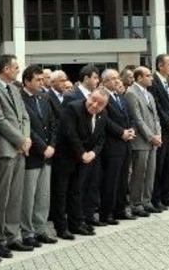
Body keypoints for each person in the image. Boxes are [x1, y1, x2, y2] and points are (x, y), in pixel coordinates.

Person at [0, 55, 31, 257]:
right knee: (0, 198)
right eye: (15, 67)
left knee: (15, 196)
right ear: (4, 68)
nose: (18, 70)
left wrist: (25, 140)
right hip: (5, 150)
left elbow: (24, 116)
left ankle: (12, 237)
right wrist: (20, 140)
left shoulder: (14, 88)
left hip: (20, 149)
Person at [51, 90, 106, 239]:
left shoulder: (102, 114)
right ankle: (61, 228)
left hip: (84, 159)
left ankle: (76, 224)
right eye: (93, 100)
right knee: (61, 194)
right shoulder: (73, 108)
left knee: (76, 192)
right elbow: (71, 134)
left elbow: (101, 138)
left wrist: (93, 153)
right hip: (65, 157)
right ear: (88, 97)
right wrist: (82, 153)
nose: (94, 105)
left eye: (99, 104)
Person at [18, 66, 58, 249]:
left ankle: (40, 229)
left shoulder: (45, 97)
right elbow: (26, 128)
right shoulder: (20, 98)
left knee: (43, 195)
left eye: (43, 80)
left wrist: (52, 146)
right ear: (27, 81)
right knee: (28, 197)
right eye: (38, 80)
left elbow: (53, 123)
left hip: (47, 155)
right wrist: (42, 147)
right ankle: (27, 232)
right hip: (31, 155)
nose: (43, 83)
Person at [98, 69, 136, 223]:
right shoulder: (103, 96)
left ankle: (120, 210)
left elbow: (130, 116)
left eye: (117, 78)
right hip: (112, 145)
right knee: (111, 181)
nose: (116, 81)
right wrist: (121, 132)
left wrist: (132, 129)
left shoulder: (120, 97)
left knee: (122, 180)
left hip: (126, 144)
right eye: (112, 79)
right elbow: (105, 120)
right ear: (105, 81)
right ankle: (106, 213)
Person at [124, 67, 161, 217]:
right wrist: (151, 136)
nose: (151, 78)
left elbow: (156, 117)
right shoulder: (131, 93)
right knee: (139, 174)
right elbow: (138, 119)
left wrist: (158, 135)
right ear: (139, 78)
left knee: (150, 173)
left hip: (153, 140)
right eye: (148, 76)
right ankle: (136, 203)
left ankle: (147, 201)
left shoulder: (149, 94)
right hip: (141, 141)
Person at [149, 54, 169, 210]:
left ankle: (167, 196)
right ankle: (156, 199)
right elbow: (157, 106)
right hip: (162, 129)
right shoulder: (153, 82)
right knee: (159, 167)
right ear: (160, 65)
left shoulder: (168, 81)